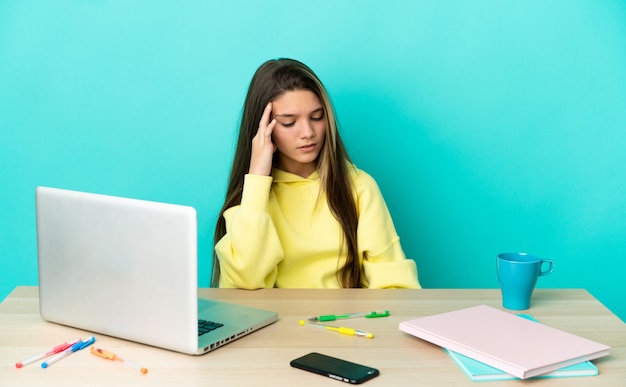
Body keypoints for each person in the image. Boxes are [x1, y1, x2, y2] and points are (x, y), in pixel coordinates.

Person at [212, 58, 420, 289]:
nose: (308, 132)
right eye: (289, 122)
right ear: (263, 129)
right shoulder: (252, 196)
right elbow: (246, 282)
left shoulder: (360, 186)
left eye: (317, 117)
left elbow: (397, 286)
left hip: (341, 323)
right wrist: (258, 178)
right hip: (276, 324)